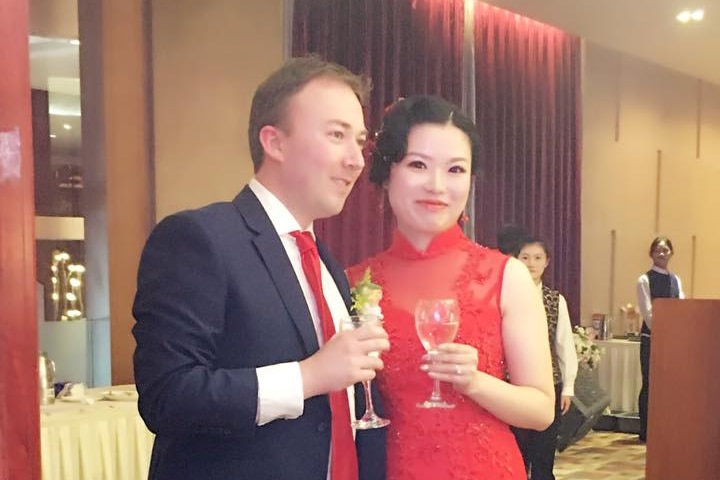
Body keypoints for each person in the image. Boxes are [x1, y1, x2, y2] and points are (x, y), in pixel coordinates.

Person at [132, 56, 390, 480]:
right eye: (337, 135)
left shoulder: (326, 263)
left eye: (360, 141)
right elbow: (169, 396)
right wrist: (308, 376)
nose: (357, 160)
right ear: (274, 142)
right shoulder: (199, 239)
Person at [347, 96, 555, 480]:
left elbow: (541, 411)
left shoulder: (506, 275)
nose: (437, 185)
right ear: (387, 172)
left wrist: (475, 382)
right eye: (418, 165)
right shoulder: (353, 283)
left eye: (456, 169)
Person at [514, 238, 578, 480]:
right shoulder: (502, 298)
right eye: (525, 257)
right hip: (511, 384)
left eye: (537, 257)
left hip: (547, 384)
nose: (531, 263)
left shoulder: (554, 300)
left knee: (543, 455)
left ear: (547, 262)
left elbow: (564, 344)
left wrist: (568, 386)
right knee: (515, 453)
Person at [636, 236, 684, 442]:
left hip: (671, 340)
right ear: (651, 254)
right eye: (658, 250)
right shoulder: (644, 280)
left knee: (667, 384)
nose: (662, 254)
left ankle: (665, 427)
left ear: (671, 253)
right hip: (651, 338)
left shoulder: (676, 279)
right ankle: (646, 430)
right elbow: (648, 313)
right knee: (650, 383)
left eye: (665, 250)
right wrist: (663, 331)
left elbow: (682, 308)